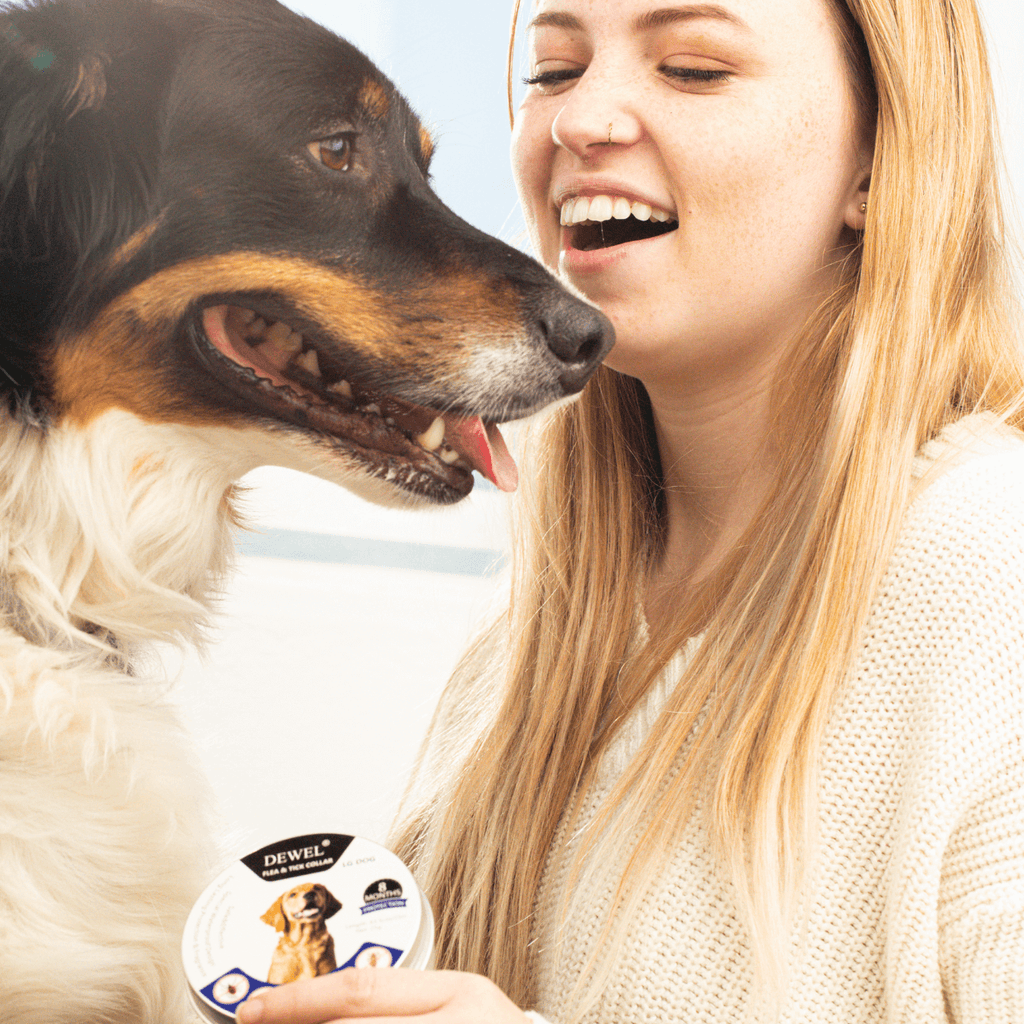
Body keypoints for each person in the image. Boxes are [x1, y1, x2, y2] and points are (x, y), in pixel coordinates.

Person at [239, 0, 1024, 1020]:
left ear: (876, 165)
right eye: (553, 71)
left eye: (693, 68)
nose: (577, 120)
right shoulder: (544, 619)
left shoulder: (991, 571)